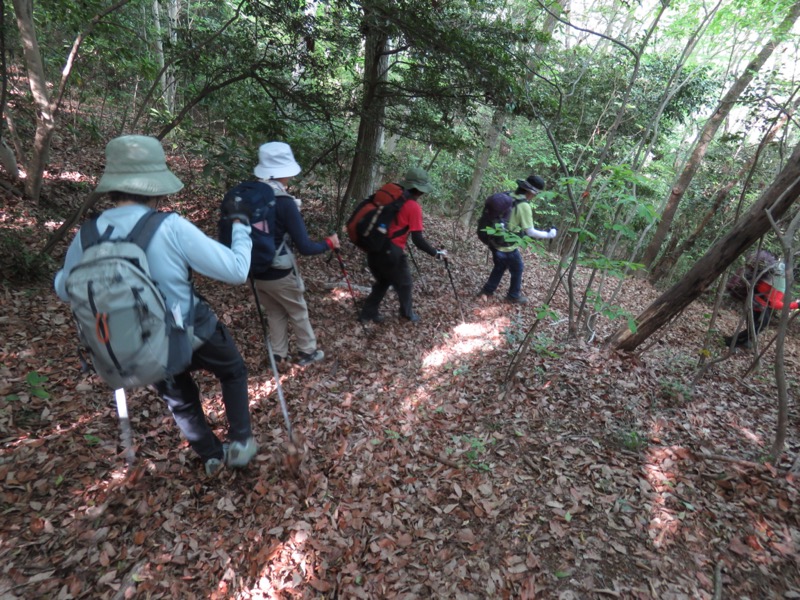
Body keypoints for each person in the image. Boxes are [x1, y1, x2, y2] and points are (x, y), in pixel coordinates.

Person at [54, 135, 257, 476]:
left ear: (113, 186)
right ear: (155, 186)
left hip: (142, 342)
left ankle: (209, 454)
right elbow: (237, 271)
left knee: (180, 398)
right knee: (233, 370)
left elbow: (64, 288)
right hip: (194, 331)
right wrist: (240, 226)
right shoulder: (170, 227)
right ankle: (240, 442)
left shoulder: (87, 235)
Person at [249, 141, 340, 369]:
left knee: (274, 311)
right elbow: (306, 247)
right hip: (280, 271)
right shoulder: (284, 202)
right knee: (298, 310)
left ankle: (278, 355)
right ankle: (307, 351)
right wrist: (330, 243)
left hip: (255, 270)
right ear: (286, 171)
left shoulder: (251, 196)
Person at [358, 167, 446, 324]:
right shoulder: (413, 207)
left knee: (383, 281)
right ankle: (407, 314)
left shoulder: (394, 199)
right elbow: (418, 240)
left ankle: (367, 314)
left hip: (374, 247)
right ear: (420, 190)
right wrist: (436, 253)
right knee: (405, 283)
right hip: (391, 252)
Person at [478, 174, 556, 304]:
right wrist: (550, 234)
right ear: (531, 192)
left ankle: (487, 291)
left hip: (494, 239)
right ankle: (513, 295)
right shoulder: (524, 206)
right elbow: (530, 232)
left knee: (500, 266)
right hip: (506, 244)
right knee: (517, 267)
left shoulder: (509, 195)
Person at [724, 260, 798, 348]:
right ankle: (731, 342)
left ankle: (743, 342)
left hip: (752, 300)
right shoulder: (780, 279)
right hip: (760, 306)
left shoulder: (772, 270)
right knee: (756, 328)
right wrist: (796, 305)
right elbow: (774, 303)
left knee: (753, 327)